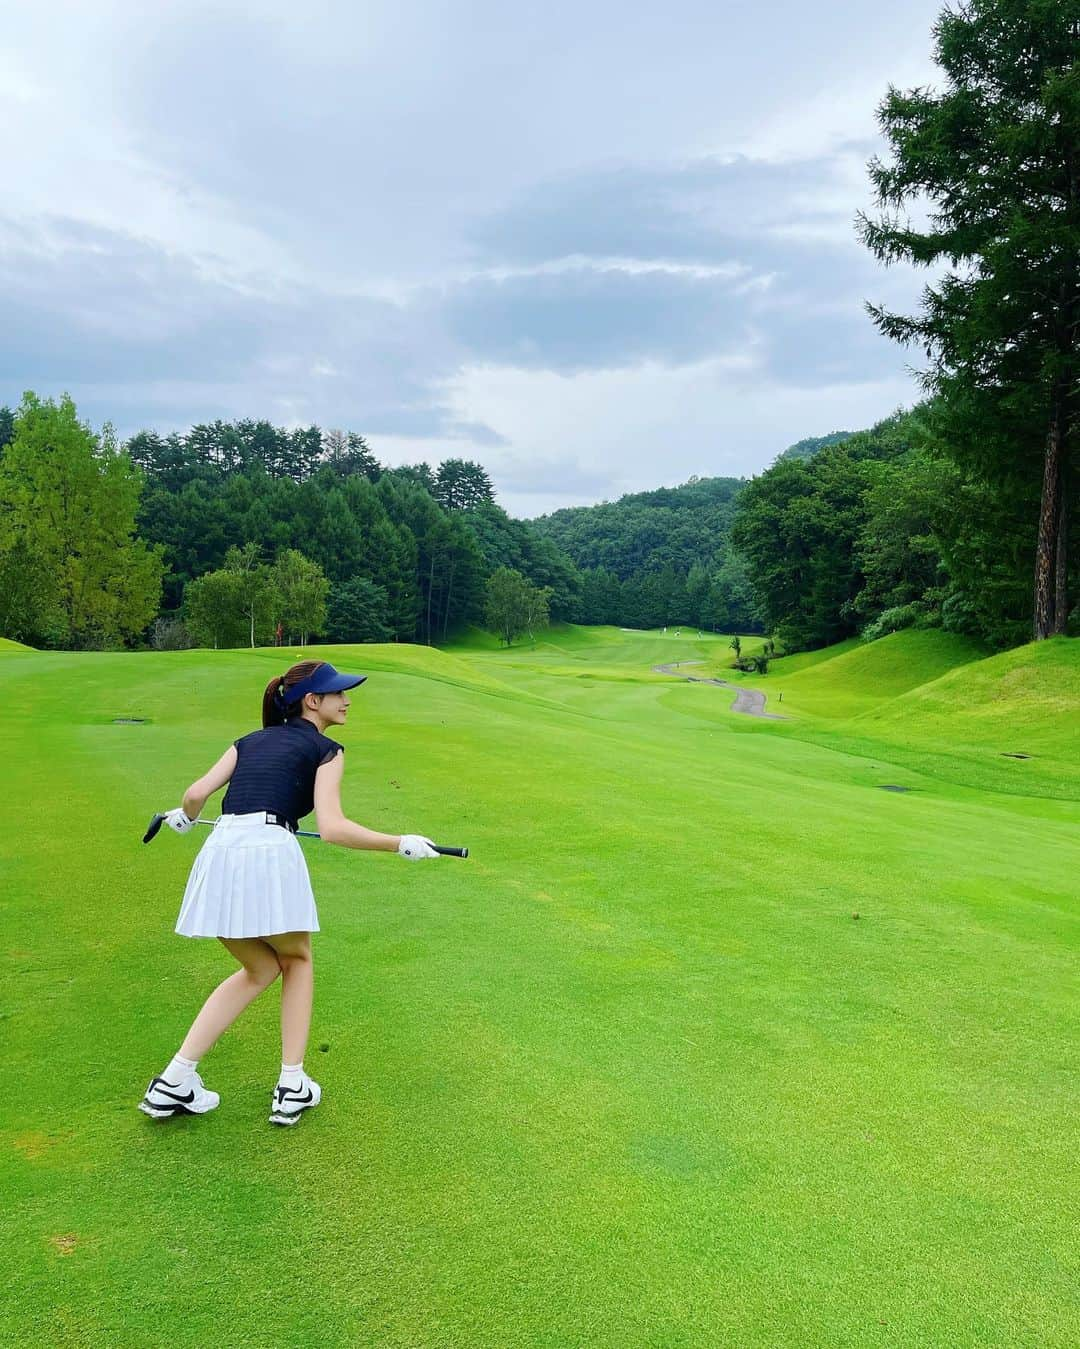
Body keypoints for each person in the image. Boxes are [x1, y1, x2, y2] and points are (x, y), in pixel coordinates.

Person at [138, 659, 440, 1128]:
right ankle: (292, 1083)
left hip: (221, 852)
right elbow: (334, 829)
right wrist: (400, 842)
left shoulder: (247, 742)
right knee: (296, 960)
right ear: (311, 702)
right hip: (268, 851)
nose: (347, 699)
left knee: (259, 968)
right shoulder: (328, 750)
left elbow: (196, 793)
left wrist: (184, 816)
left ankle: (175, 1080)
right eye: (337, 693)